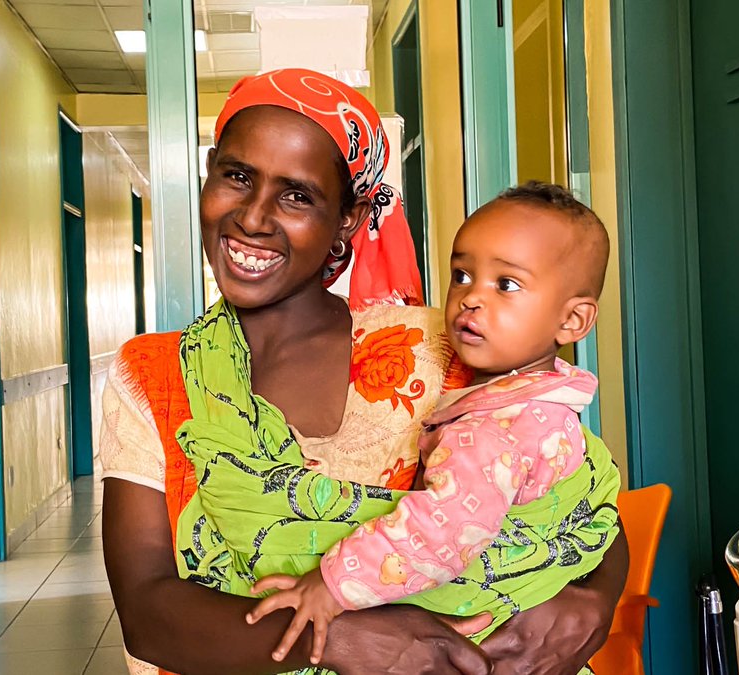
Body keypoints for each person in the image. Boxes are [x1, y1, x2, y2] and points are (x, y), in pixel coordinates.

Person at [100, 69, 629, 675]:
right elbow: (146, 611)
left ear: (348, 218)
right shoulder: (154, 375)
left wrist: (592, 600)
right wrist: (347, 639)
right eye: (237, 177)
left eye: (297, 194)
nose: (252, 217)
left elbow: (579, 499)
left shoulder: (445, 347)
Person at [244, 182, 621, 672]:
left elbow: (439, 533)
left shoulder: (491, 430)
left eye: (506, 285)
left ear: (572, 321)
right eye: (462, 275)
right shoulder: (550, 398)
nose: (470, 300)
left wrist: (332, 584)